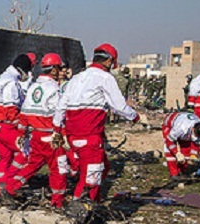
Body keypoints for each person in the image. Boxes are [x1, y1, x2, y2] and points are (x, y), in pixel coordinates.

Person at [54, 43, 141, 202]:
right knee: (91, 179)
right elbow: (119, 106)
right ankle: (82, 210)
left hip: (72, 135)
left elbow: (61, 106)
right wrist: (135, 117)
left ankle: (93, 198)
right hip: (90, 135)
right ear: (108, 62)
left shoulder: (77, 78)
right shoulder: (105, 78)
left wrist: (57, 128)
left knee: (103, 166)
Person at [3, 53, 69, 207]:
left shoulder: (33, 88)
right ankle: (57, 201)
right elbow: (59, 114)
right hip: (51, 136)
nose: (61, 72)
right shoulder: (54, 89)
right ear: (53, 70)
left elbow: (24, 113)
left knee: (31, 165)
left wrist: (22, 133)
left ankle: (11, 187)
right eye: (59, 68)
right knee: (59, 169)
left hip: (36, 136)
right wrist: (63, 134)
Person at [0, 53, 36, 196]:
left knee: (6, 157)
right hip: (5, 125)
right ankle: (8, 185)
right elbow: (11, 110)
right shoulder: (11, 83)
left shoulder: (3, 78)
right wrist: (22, 127)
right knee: (24, 152)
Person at [161, 111, 200, 179]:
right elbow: (169, 141)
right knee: (169, 152)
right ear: (192, 128)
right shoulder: (181, 128)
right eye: (194, 135)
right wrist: (176, 153)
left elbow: (196, 143)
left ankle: (182, 170)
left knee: (186, 150)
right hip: (169, 124)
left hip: (184, 124)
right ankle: (174, 174)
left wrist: (193, 155)